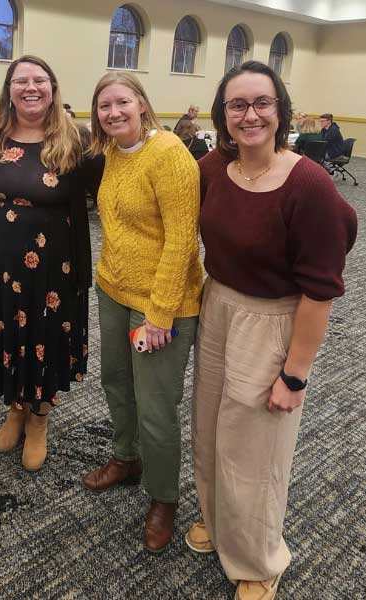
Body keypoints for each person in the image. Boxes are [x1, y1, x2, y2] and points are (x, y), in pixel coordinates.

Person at [188, 61, 357, 600]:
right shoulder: (216, 166)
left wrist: (296, 374)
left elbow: (320, 291)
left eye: (262, 103)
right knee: (211, 428)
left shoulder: (308, 183)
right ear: (223, 115)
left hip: (274, 318)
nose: (250, 115)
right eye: (237, 105)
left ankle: (260, 559)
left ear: (281, 110)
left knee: (255, 449)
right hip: (217, 305)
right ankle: (218, 523)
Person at [81, 71, 202, 554]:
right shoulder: (111, 150)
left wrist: (160, 314)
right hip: (113, 289)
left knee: (156, 406)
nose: (113, 113)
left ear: (141, 104)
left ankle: (164, 498)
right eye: (104, 106)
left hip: (161, 302)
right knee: (116, 382)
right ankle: (125, 457)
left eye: (121, 103)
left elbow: (181, 239)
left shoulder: (169, 154)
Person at [0, 55, 97, 472]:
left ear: (54, 88)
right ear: (9, 89)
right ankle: (15, 408)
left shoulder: (77, 138)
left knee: (40, 335)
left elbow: (116, 187)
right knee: (5, 332)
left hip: (50, 268)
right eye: (21, 80)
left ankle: (38, 417)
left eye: (40, 80)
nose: (31, 87)